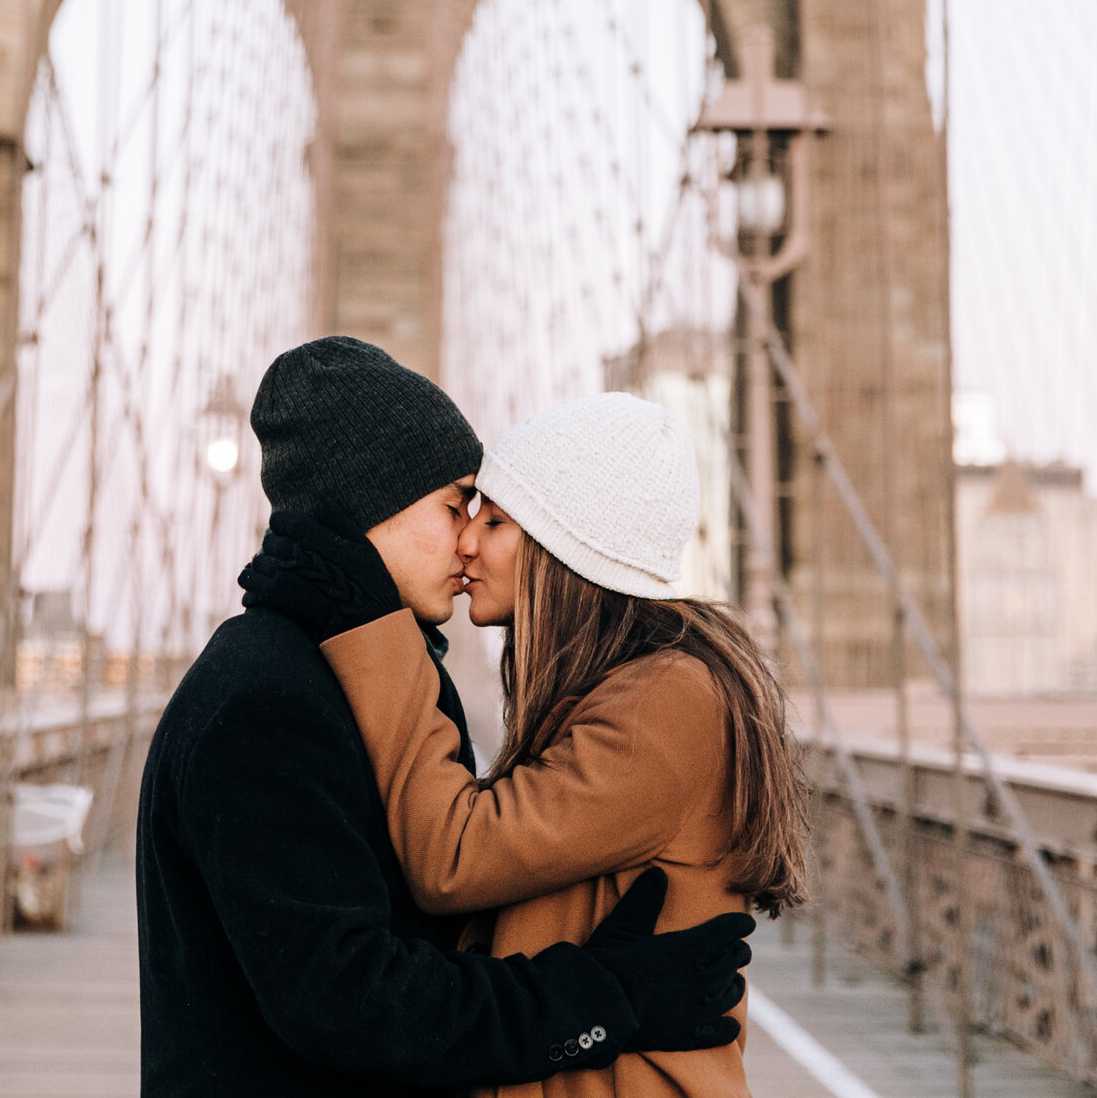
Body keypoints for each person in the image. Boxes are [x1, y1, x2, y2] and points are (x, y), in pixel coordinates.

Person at [138, 338, 755, 1097]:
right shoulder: (267, 696)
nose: (467, 538)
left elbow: (448, 879)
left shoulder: (655, 697)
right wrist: (602, 995)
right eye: (456, 503)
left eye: (486, 516)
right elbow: (351, 997)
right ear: (378, 502)